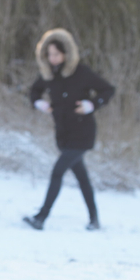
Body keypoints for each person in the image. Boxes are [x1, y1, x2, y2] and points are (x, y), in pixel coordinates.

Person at [25, 29, 114, 232]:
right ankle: (94, 220)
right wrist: (40, 103)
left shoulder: (81, 72)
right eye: (49, 54)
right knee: (82, 178)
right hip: (63, 134)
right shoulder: (49, 75)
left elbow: (108, 90)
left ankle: (41, 218)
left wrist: (91, 105)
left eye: (56, 54)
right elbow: (34, 91)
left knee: (57, 172)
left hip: (82, 133)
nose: (52, 58)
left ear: (66, 53)